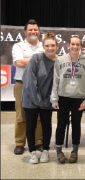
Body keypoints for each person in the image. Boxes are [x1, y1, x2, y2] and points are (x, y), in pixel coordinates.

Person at [51, 36, 85, 163]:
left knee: (76, 124)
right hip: (63, 97)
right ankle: (59, 150)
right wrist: (54, 99)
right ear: (68, 45)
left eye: (77, 44)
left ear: (81, 46)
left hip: (79, 98)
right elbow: (55, 80)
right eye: (72, 44)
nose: (75, 47)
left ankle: (75, 151)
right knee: (61, 124)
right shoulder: (60, 60)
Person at [22, 32, 59, 164]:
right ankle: (32, 152)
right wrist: (38, 100)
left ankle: (46, 151)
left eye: (52, 45)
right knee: (31, 126)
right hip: (31, 99)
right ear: (43, 46)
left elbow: (57, 83)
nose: (50, 48)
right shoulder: (35, 58)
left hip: (47, 101)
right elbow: (30, 82)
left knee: (46, 126)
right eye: (47, 45)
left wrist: (51, 100)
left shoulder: (59, 62)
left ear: (57, 46)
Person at [12, 19, 43, 155]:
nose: (33, 32)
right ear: (25, 32)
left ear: (39, 31)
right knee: (21, 116)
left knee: (39, 116)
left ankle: (38, 142)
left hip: (40, 86)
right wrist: (38, 59)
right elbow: (18, 63)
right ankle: (19, 143)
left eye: (35, 29)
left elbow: (49, 60)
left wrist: (28, 60)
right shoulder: (18, 46)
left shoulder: (44, 46)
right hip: (22, 85)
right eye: (30, 30)